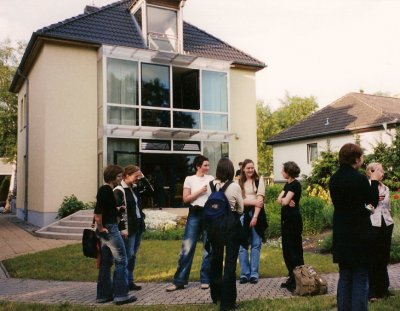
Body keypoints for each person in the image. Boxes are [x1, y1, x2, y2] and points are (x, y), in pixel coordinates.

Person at [329, 143, 382, 311]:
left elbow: (346, 206)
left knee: (344, 276)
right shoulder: (359, 179)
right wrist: (373, 182)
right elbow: (371, 202)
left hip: (341, 234)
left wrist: (364, 209)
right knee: (360, 276)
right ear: (356, 159)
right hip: (359, 236)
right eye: (361, 157)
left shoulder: (334, 179)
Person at [166, 155, 214, 291]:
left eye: (208, 165)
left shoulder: (211, 179)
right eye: (205, 165)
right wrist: (200, 191)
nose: (207, 168)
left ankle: (205, 279)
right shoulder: (190, 179)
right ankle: (180, 281)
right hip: (195, 214)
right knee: (187, 247)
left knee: (208, 248)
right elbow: (186, 199)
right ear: (198, 166)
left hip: (208, 214)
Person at [94, 165, 137, 305]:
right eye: (119, 176)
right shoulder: (105, 190)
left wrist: (117, 209)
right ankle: (121, 296)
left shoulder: (106, 190)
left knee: (106, 263)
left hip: (107, 228)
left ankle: (103, 295)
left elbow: (105, 209)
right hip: (110, 230)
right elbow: (98, 213)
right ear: (112, 177)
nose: (120, 179)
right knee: (122, 260)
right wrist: (101, 228)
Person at [206, 157, 244, 311]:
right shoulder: (234, 186)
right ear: (230, 169)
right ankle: (228, 302)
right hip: (230, 227)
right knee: (229, 264)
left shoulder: (210, 185)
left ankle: (216, 296)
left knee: (215, 260)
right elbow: (241, 209)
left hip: (214, 228)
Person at [114, 165, 146, 292]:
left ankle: (130, 281)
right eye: (135, 176)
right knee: (128, 255)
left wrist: (142, 177)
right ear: (126, 175)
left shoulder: (134, 188)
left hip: (138, 225)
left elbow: (151, 191)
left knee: (132, 255)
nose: (137, 179)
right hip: (129, 227)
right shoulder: (119, 190)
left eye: (139, 176)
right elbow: (118, 212)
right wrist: (123, 229)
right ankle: (122, 284)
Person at [366, 162, 394, 301]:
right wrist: (374, 201)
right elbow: (367, 207)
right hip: (372, 224)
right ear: (370, 171)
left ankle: (384, 289)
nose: (382, 174)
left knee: (383, 257)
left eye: (383, 171)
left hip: (386, 224)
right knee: (373, 257)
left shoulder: (385, 188)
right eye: (380, 171)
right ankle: (372, 291)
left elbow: (387, 206)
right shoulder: (365, 187)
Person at [277, 161, 304, 292]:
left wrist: (285, 200)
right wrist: (285, 200)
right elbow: (279, 200)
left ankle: (298, 278)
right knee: (287, 250)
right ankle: (291, 276)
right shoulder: (287, 184)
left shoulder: (295, 185)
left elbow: (284, 202)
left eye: (283, 170)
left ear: (289, 172)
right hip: (286, 221)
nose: (281, 172)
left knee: (294, 249)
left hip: (293, 221)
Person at [238, 159, 266, 284]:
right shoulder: (238, 182)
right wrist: (252, 201)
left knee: (256, 245)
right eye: (248, 168)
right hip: (242, 215)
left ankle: (254, 274)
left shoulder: (259, 181)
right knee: (242, 245)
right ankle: (244, 274)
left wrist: (255, 217)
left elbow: (260, 201)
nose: (250, 170)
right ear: (243, 169)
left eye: (252, 168)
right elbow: (238, 201)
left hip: (257, 214)